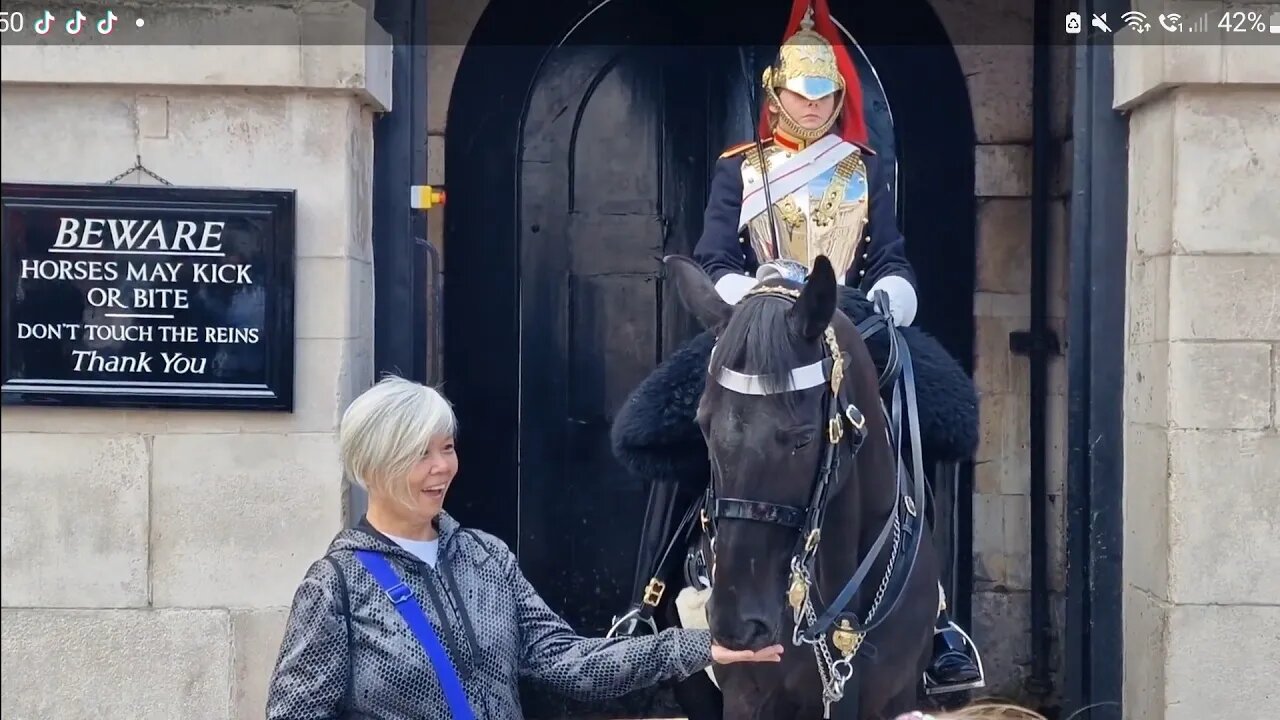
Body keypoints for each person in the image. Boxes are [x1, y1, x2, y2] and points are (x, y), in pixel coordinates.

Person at [689, 0, 985, 697]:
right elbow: (711, 257)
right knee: (684, 417)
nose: (814, 105)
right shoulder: (743, 169)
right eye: (800, 92)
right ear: (775, 93)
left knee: (927, 416)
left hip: (845, 319)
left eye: (826, 95)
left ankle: (934, 616)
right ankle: (659, 594)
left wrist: (892, 296)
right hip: (753, 322)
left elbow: (890, 257)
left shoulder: (862, 168)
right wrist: (746, 297)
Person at [265, 376, 784, 720]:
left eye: (445, 448)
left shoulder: (485, 557)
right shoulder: (336, 586)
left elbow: (567, 662)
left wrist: (693, 647)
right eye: (419, 455)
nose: (442, 467)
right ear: (374, 466)